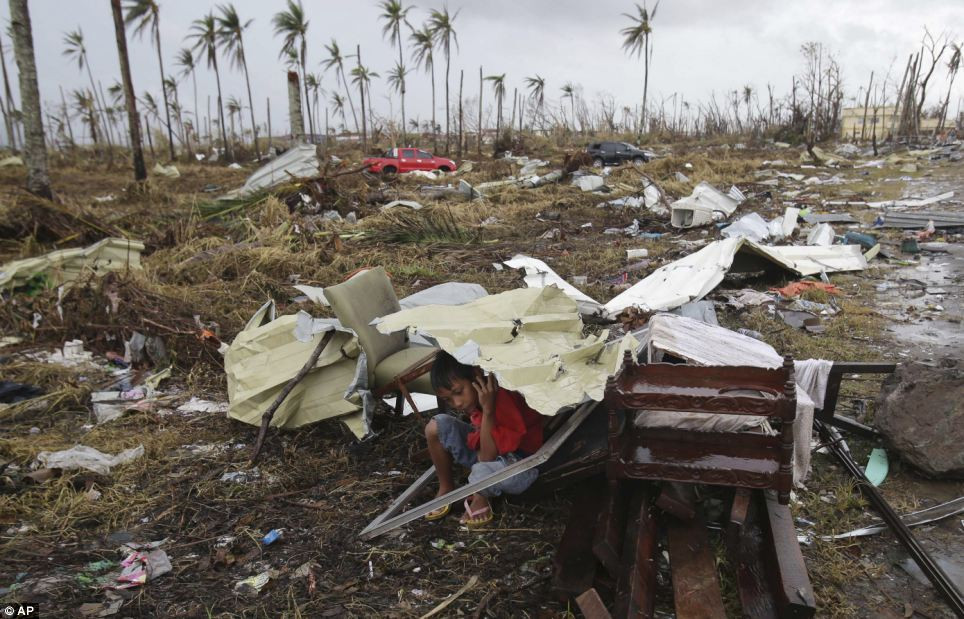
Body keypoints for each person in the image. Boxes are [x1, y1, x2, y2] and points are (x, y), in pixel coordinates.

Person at [423, 351, 545, 528]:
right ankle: (446, 487)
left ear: (477, 375)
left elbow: (487, 458)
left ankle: (481, 497)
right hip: (490, 454)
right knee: (435, 427)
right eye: (448, 399)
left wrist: (488, 411)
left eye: (458, 392)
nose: (457, 403)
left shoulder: (500, 395)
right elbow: (482, 451)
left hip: (521, 464)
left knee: (482, 472)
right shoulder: (479, 396)